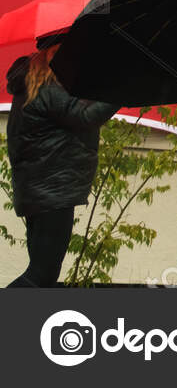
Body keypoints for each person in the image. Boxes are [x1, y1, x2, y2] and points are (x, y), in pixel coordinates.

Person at [4, 42, 118, 287]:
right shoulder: (49, 86)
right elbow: (85, 116)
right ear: (56, 52)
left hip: (41, 192)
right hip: (52, 192)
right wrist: (123, 91)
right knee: (41, 275)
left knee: (42, 274)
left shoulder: (37, 83)